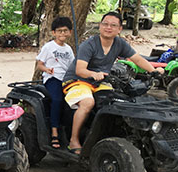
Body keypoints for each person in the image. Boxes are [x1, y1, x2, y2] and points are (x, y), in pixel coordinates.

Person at [62, 11, 164, 154]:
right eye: (105, 24)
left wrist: (153, 71)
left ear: (119, 29)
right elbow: (80, 70)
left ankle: (107, 136)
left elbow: (137, 59)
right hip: (77, 81)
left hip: (100, 82)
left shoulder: (120, 43)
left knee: (117, 102)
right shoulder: (89, 44)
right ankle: (73, 141)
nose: (108, 27)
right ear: (100, 25)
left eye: (113, 25)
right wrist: (93, 74)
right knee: (87, 103)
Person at [36, 17, 75, 149]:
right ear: (54, 33)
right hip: (52, 79)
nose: (62, 34)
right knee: (57, 100)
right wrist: (47, 69)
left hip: (66, 79)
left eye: (65, 31)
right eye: (59, 31)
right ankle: (54, 131)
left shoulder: (69, 49)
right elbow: (39, 65)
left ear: (70, 32)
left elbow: (72, 66)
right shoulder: (48, 47)